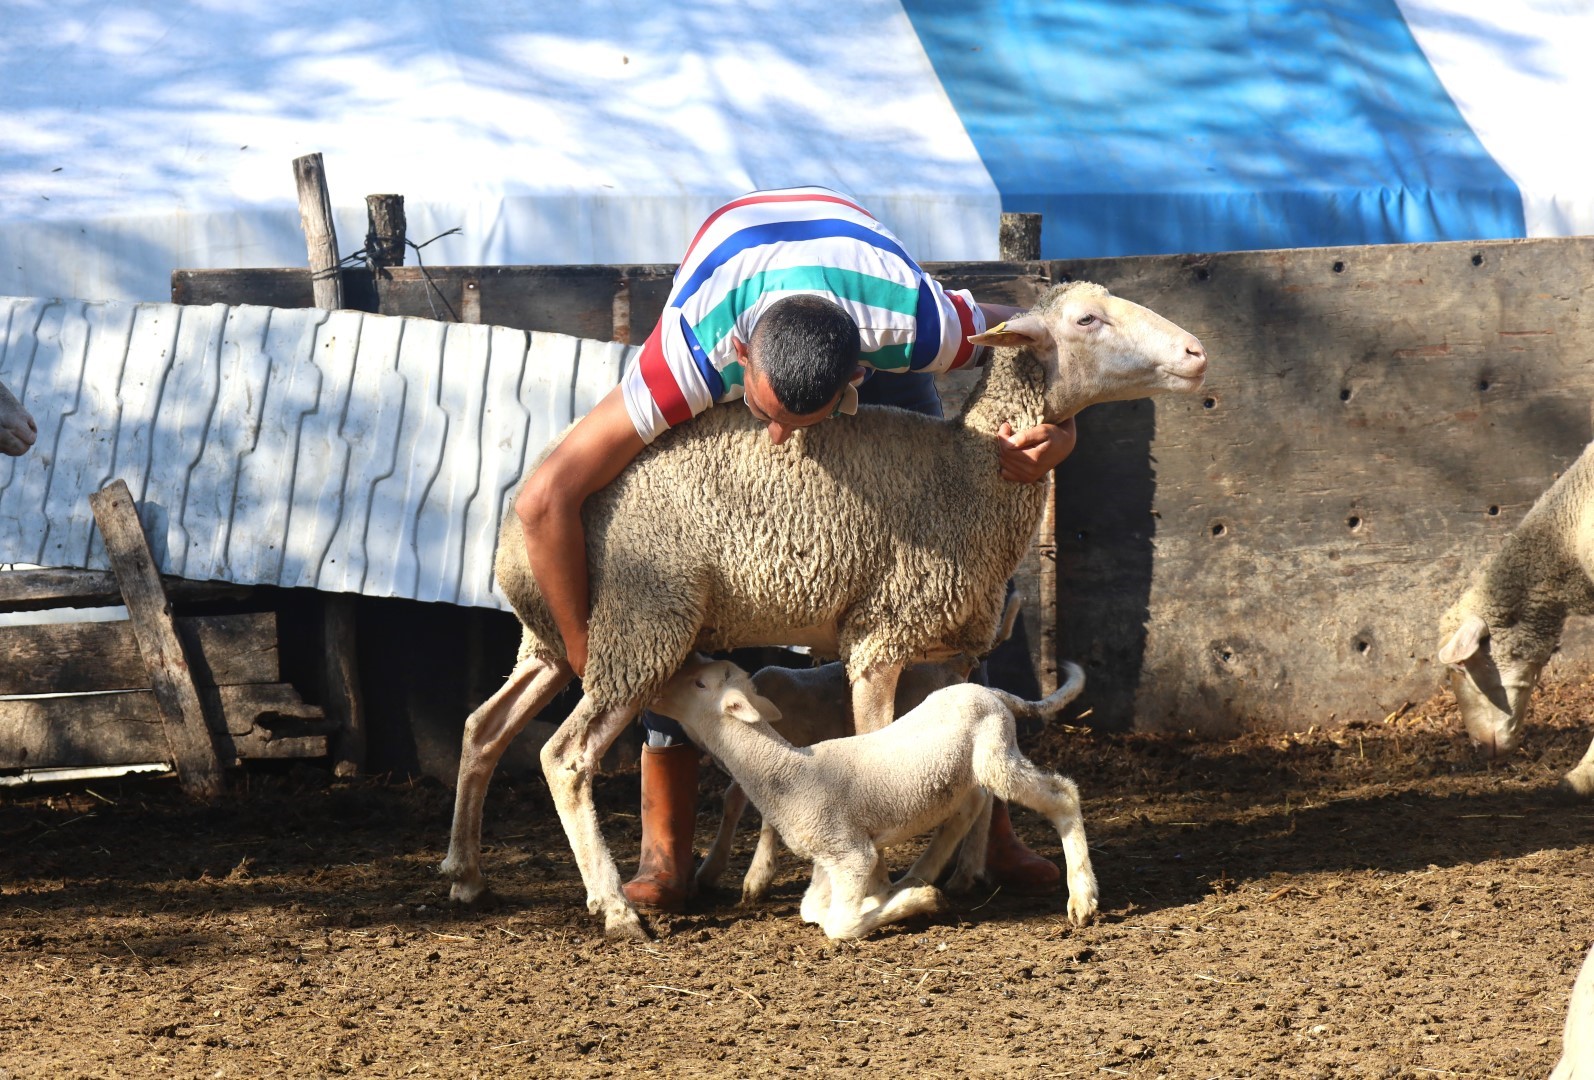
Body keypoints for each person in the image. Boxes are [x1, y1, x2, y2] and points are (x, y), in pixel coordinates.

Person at [515, 186, 1077, 911]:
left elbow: (1055, 340)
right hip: (736, 308)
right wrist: (594, 654)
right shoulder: (688, 357)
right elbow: (544, 499)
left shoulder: (919, 323)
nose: (780, 440)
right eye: (767, 415)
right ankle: (667, 843)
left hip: (862, 315)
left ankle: (986, 828)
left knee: (953, 550)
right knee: (669, 557)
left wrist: (1057, 438)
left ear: (857, 376)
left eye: (805, 418)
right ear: (742, 359)